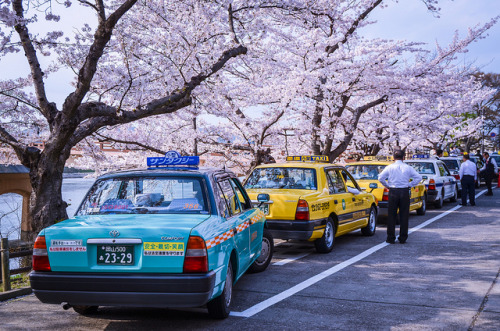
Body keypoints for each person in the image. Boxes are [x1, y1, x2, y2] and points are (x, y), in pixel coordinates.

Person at [378, 149, 422, 244]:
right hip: (404, 191)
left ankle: (390, 237)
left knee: (391, 215)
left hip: (393, 191)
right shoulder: (408, 167)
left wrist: (387, 185)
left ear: (393, 158)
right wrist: (410, 184)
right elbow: (419, 177)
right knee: (404, 215)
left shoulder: (389, 167)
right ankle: (403, 237)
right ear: (403, 157)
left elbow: (380, 178)